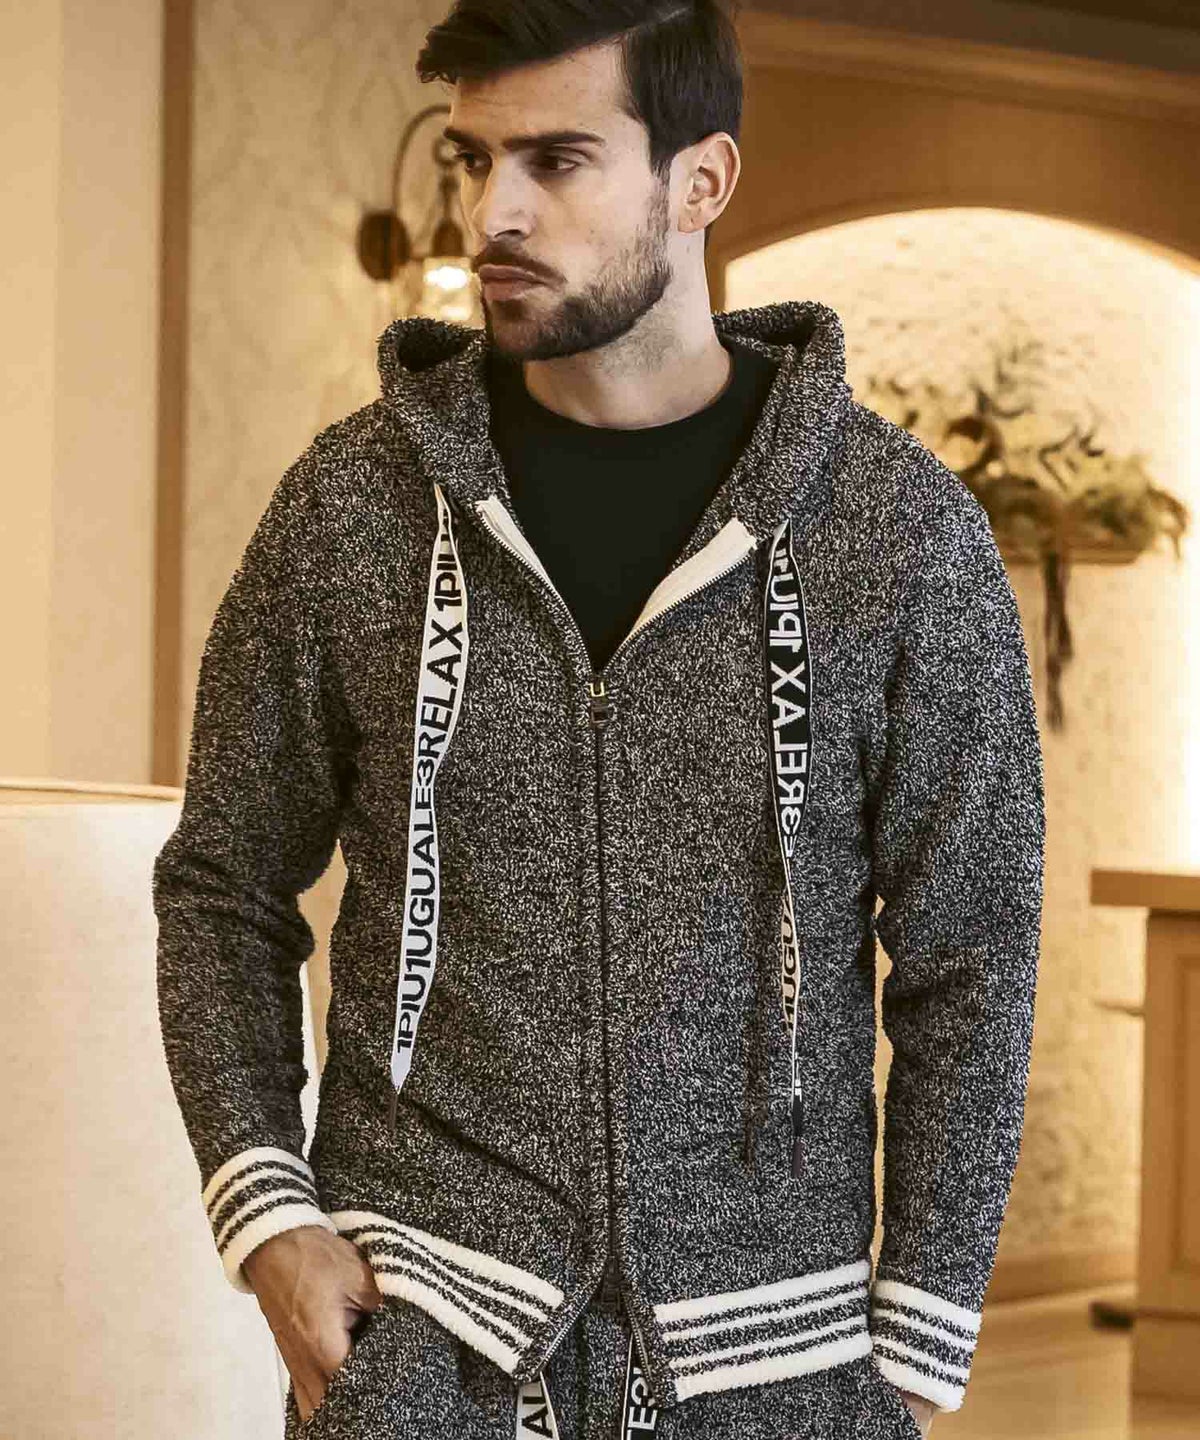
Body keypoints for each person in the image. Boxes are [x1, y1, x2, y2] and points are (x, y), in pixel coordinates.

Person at [152, 2, 1046, 1437]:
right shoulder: (351, 510)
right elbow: (222, 885)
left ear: (702, 181)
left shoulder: (899, 535)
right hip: (423, 1356)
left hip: (775, 1370)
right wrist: (269, 1218)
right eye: (473, 159)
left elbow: (973, 952)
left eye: (557, 161)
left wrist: (910, 1354)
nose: (493, 213)